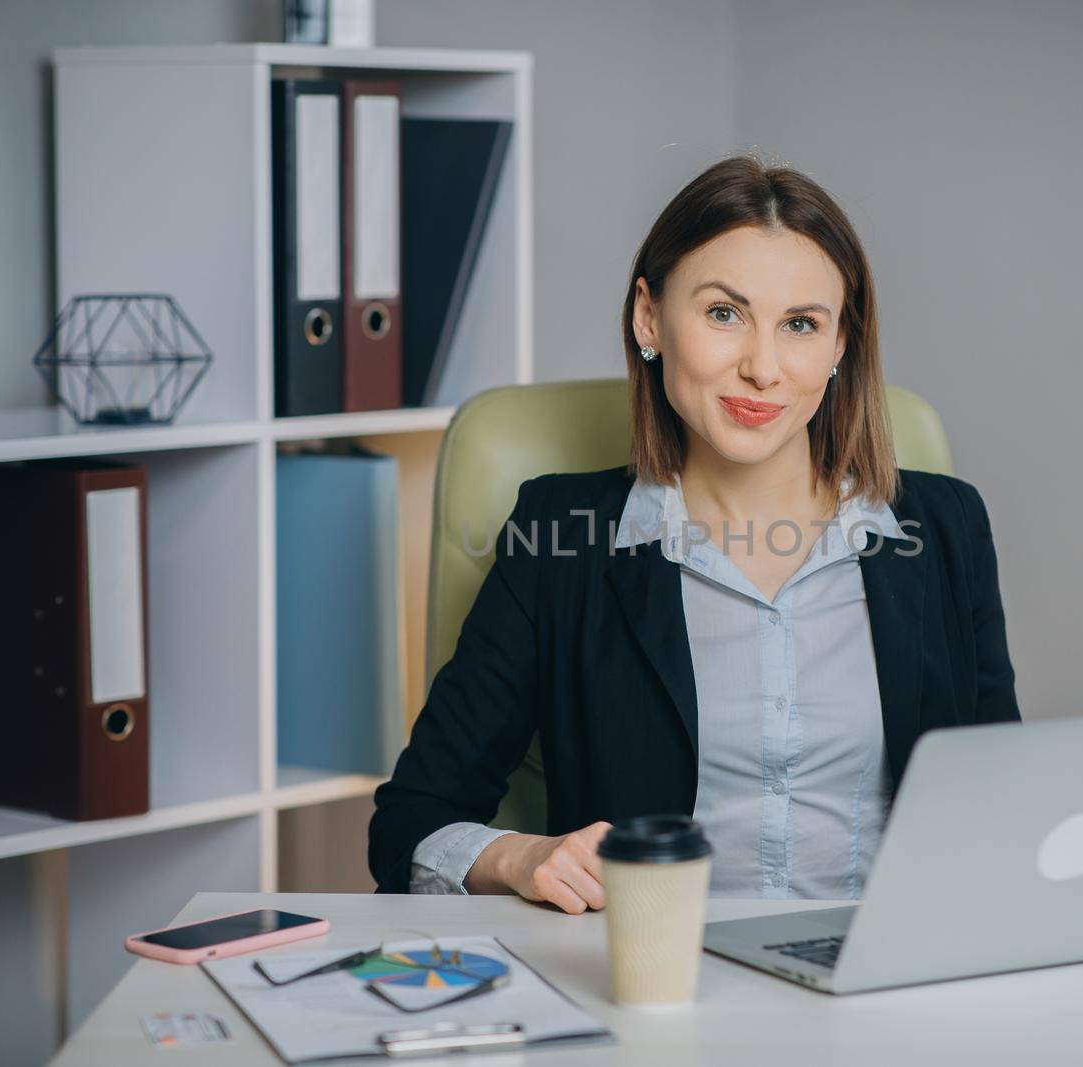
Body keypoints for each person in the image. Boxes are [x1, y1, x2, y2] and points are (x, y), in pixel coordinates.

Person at [367, 154, 1021, 909]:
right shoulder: (561, 536)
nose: (763, 368)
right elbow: (408, 824)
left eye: (802, 324)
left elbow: (997, 796)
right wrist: (523, 857)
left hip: (890, 984)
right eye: (723, 314)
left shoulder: (944, 527)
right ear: (650, 317)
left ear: (840, 345)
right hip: (661, 983)